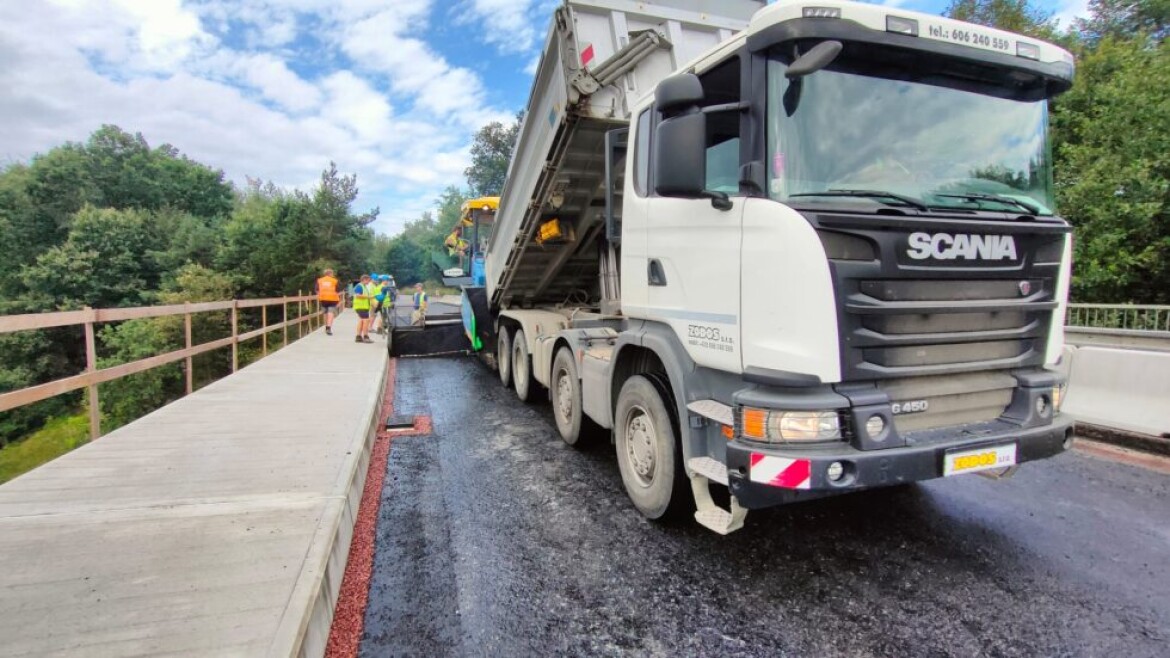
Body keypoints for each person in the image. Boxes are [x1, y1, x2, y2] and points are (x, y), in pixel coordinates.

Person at [315, 268, 341, 336]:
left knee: (325, 313)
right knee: (331, 313)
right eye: (332, 273)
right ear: (330, 273)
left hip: (323, 299)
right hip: (333, 299)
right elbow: (337, 291)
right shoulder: (335, 281)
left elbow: (317, 290)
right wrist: (339, 300)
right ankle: (328, 328)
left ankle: (325, 326)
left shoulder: (319, 280)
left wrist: (320, 296)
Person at [352, 274, 375, 343]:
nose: (368, 282)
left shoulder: (363, 286)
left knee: (361, 321)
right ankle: (366, 336)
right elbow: (358, 295)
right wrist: (369, 297)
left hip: (362, 307)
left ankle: (358, 337)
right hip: (361, 306)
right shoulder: (359, 286)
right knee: (366, 321)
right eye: (368, 281)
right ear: (364, 280)